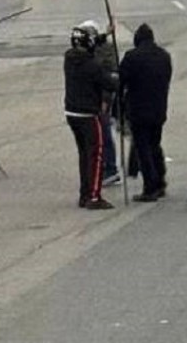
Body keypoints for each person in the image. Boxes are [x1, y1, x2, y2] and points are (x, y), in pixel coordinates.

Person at [64, 23, 119, 210]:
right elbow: (110, 84)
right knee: (95, 154)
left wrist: (104, 35)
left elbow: (92, 44)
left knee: (84, 154)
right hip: (88, 114)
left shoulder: (69, 59)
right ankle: (94, 196)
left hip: (71, 113)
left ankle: (84, 193)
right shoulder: (92, 66)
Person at [119, 24, 173, 202]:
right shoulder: (164, 56)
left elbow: (121, 81)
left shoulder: (132, 57)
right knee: (155, 145)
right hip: (158, 108)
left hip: (138, 110)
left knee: (143, 149)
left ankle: (150, 187)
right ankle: (160, 181)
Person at [80, 20, 121, 186]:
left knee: (103, 134)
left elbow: (111, 76)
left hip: (101, 100)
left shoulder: (105, 51)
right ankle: (100, 167)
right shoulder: (87, 50)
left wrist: (105, 99)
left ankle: (110, 169)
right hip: (88, 99)